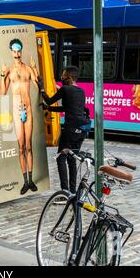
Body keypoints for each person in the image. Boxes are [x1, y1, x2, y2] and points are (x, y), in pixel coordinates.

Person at [41, 66, 90, 195]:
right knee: (72, 158)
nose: (61, 77)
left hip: (70, 129)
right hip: (82, 130)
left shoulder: (65, 89)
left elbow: (49, 100)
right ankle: (72, 192)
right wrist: (49, 109)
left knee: (61, 158)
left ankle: (65, 192)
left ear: (68, 77)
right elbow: (68, 108)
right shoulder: (81, 91)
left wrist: (41, 88)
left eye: (63, 75)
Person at [0, 39, 40, 195]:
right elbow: (3, 93)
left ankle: (31, 181)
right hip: (17, 111)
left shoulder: (28, 69)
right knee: (21, 146)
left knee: (29, 146)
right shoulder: (8, 71)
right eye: (14, 51)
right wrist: (2, 74)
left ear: (21, 51)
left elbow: (38, 88)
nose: (17, 54)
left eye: (19, 51)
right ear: (11, 51)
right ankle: (25, 182)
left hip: (28, 109)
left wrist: (35, 70)